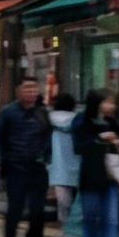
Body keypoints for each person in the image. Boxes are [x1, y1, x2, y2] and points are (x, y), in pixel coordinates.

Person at [0, 80, 54, 237]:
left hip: (37, 167)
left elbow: (48, 137)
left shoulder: (42, 112)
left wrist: (46, 157)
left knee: (37, 211)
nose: (31, 92)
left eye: (34, 88)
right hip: (15, 167)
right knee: (15, 209)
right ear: (18, 91)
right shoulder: (8, 112)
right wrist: (0, 159)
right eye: (27, 88)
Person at [72, 91, 119, 237]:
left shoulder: (114, 123)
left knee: (111, 218)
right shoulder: (82, 122)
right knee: (91, 217)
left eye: (113, 103)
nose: (112, 106)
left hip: (111, 176)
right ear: (97, 104)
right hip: (90, 176)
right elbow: (78, 147)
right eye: (108, 102)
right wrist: (99, 139)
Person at [46, 90, 80, 229]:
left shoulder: (48, 119)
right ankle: (76, 219)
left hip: (57, 159)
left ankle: (63, 219)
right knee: (78, 190)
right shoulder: (78, 119)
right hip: (76, 157)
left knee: (62, 193)